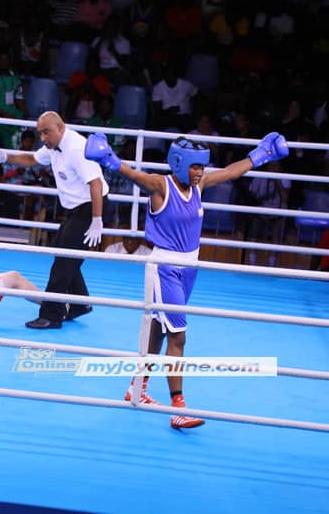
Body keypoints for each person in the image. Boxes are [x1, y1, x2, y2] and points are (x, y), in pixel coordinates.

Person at [84, 130, 289, 429]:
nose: (199, 172)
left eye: (202, 166)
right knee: (178, 337)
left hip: (190, 268)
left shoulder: (200, 184)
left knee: (159, 331)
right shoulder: (160, 185)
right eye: (195, 166)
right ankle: (178, 407)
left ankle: (136, 387)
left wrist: (261, 155)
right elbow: (131, 173)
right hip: (164, 268)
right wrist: (108, 159)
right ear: (179, 162)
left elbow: (231, 172)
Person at [0, 111, 108, 329]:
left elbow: (96, 184)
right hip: (75, 208)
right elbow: (32, 159)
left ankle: (52, 315)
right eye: (40, 133)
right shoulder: (53, 145)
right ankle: (81, 303)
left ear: (60, 127)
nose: (43, 138)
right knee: (62, 253)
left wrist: (97, 219)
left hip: (90, 206)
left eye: (46, 132)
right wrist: (6, 157)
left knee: (62, 263)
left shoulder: (77, 148)